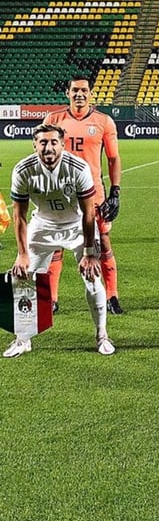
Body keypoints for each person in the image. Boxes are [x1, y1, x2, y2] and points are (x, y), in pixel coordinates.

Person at [3, 124, 114, 358]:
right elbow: (19, 215)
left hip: (76, 224)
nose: (48, 147)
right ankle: (23, 339)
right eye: (43, 142)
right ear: (34, 145)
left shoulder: (78, 168)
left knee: (93, 277)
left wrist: (89, 252)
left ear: (63, 145)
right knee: (22, 278)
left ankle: (102, 335)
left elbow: (89, 213)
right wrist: (22, 254)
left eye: (54, 142)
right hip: (42, 224)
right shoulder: (23, 170)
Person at [43, 74, 123, 315]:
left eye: (83, 90)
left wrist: (115, 192)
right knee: (55, 246)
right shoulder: (53, 119)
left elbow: (113, 158)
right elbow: (42, 154)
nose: (79, 94)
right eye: (75, 90)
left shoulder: (103, 121)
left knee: (102, 244)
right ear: (67, 93)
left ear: (91, 93)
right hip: (59, 193)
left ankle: (112, 296)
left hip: (93, 194)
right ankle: (52, 299)